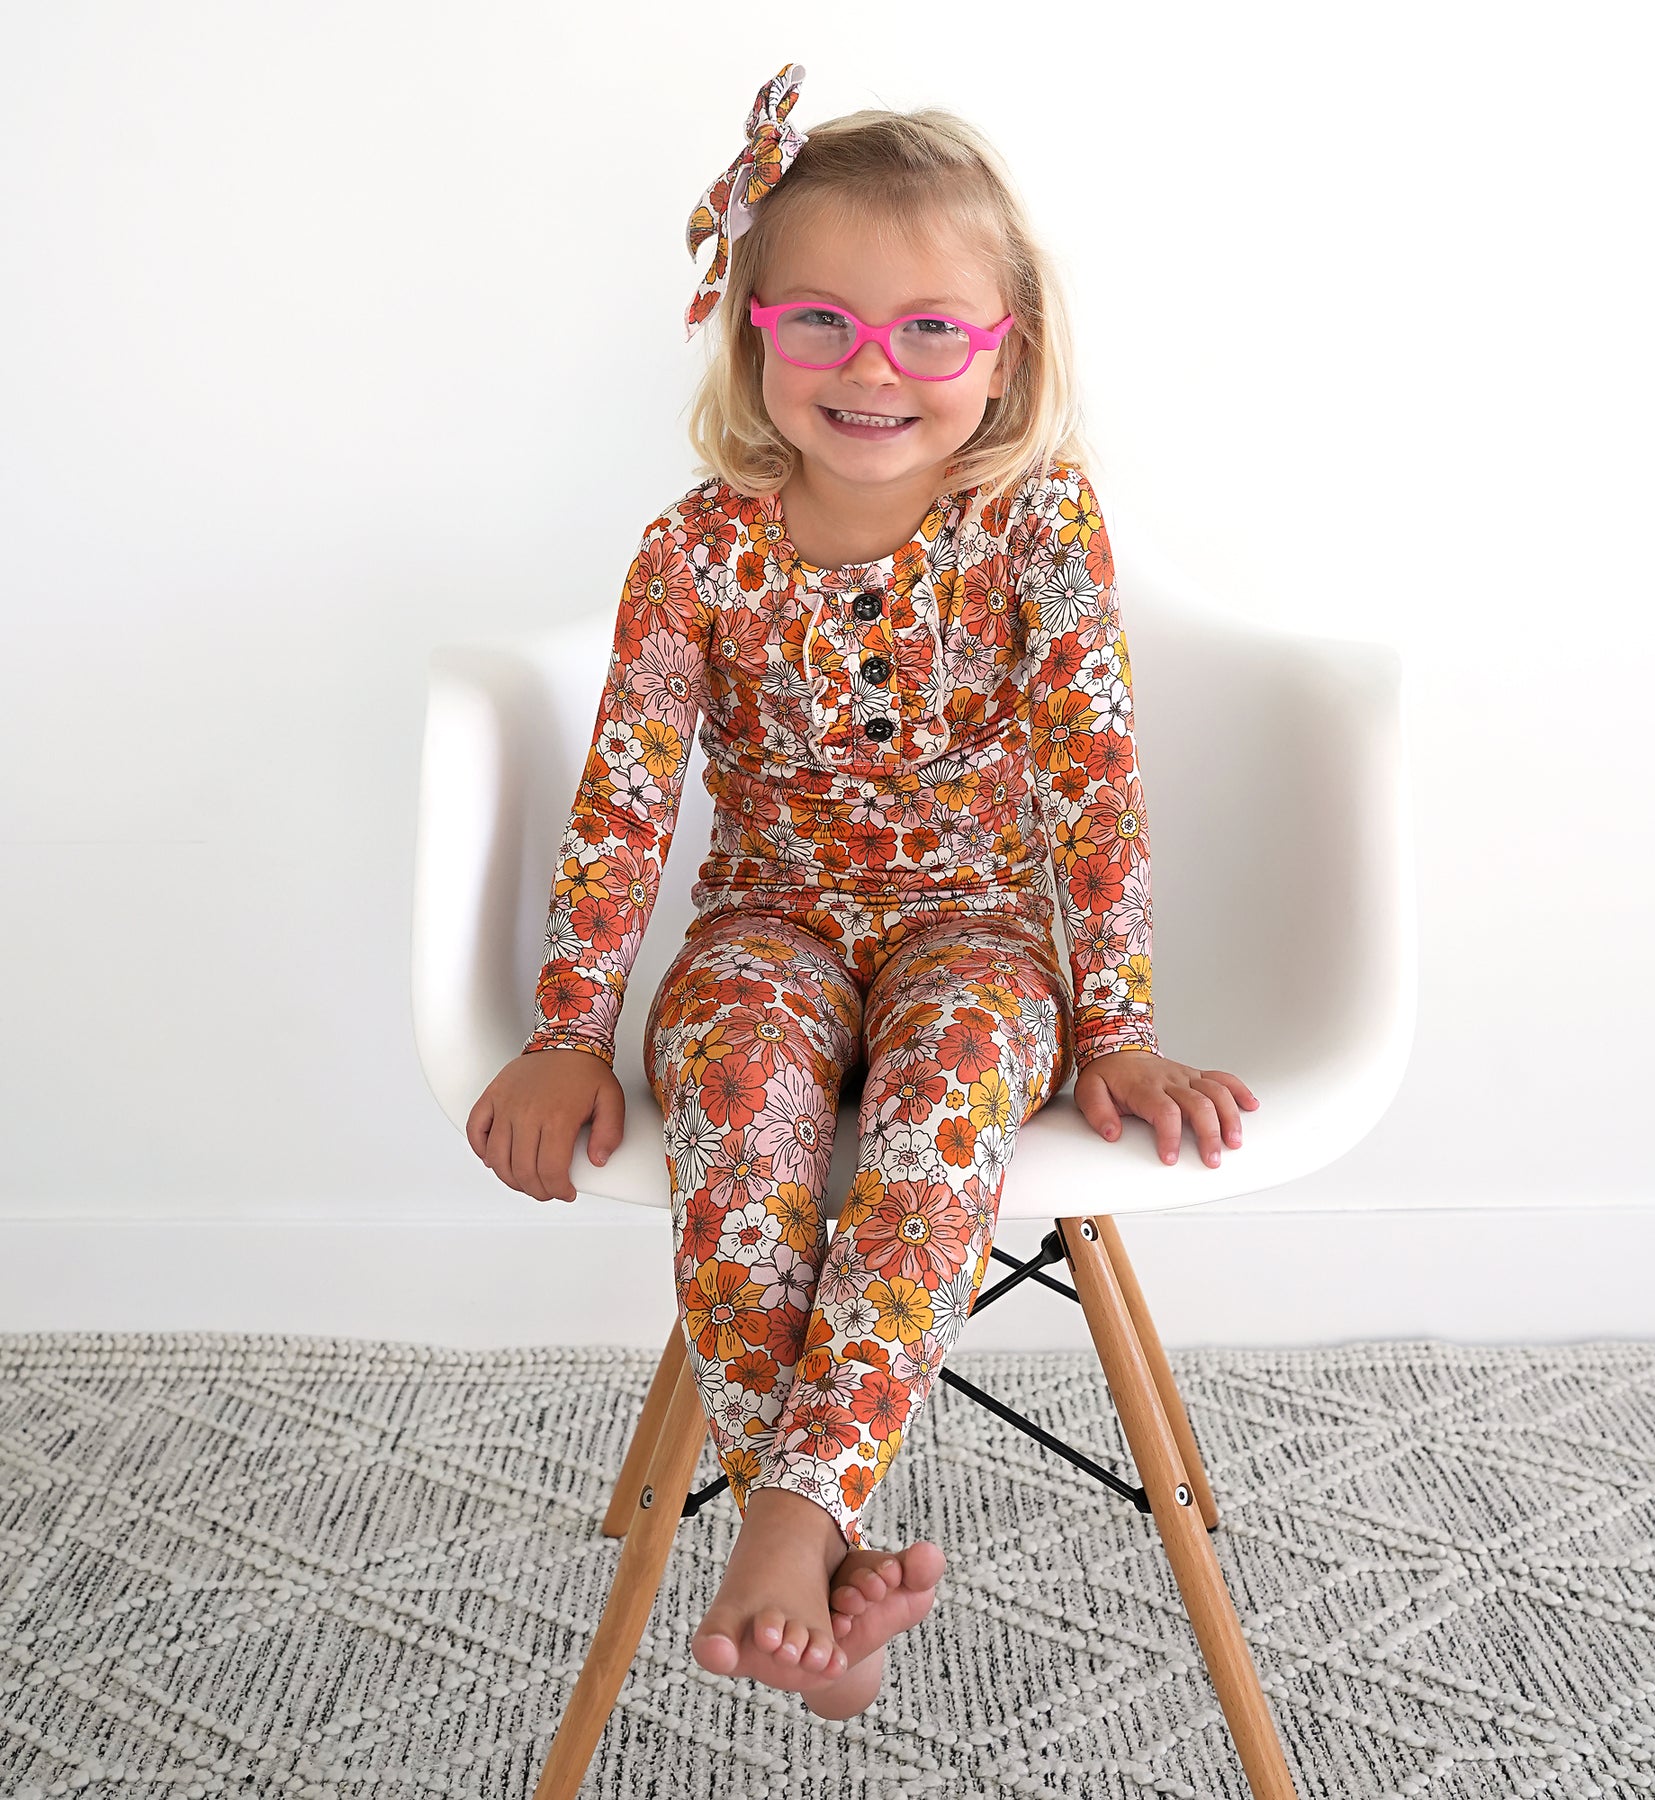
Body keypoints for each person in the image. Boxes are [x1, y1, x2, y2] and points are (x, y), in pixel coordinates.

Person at [465, 64, 1258, 1722]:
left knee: (951, 1077)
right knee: (734, 1074)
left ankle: (787, 1523)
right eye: (819, 320)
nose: (871, 368)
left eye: (929, 331)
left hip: (979, 937)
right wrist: (569, 1032)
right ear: (750, 330)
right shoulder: (696, 551)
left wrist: (1117, 1027)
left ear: (1006, 351)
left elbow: (1092, 782)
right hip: (766, 925)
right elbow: (627, 800)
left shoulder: (1036, 527)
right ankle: (816, 1539)